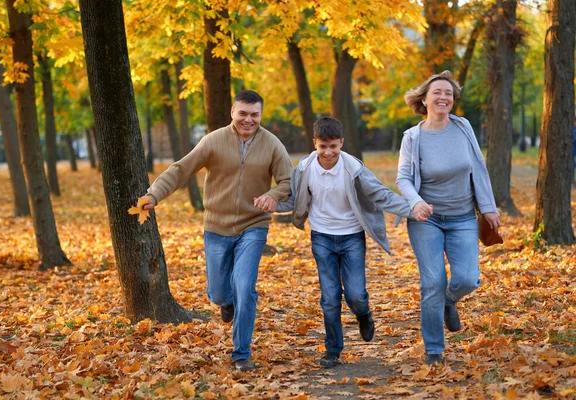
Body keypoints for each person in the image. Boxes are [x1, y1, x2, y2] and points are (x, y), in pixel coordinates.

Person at [143, 90, 293, 372]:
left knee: (245, 287)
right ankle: (225, 302)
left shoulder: (273, 144)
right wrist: (154, 194)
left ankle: (241, 353)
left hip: (254, 225)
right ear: (233, 113)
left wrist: (273, 194)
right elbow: (181, 169)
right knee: (219, 292)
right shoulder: (213, 140)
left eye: (254, 114)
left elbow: (287, 180)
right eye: (243, 113)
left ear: (261, 115)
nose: (248, 120)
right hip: (216, 226)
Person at [276, 116, 430, 368]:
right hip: (322, 237)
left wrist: (412, 207)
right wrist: (267, 205)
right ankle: (332, 349)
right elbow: (295, 199)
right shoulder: (304, 169)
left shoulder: (353, 169)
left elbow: (380, 194)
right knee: (329, 297)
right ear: (314, 143)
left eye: (333, 146)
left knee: (356, 294)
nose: (328, 152)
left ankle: (364, 315)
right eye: (322, 146)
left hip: (351, 238)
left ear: (341, 143)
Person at [396, 71, 501, 365]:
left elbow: (478, 168)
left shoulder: (463, 127)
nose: (444, 98)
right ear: (424, 99)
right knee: (432, 283)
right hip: (426, 220)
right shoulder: (413, 137)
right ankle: (433, 349)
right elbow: (403, 178)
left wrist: (489, 206)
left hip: (463, 217)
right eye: (437, 93)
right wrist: (415, 202)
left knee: (468, 278)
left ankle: (449, 299)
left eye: (449, 94)